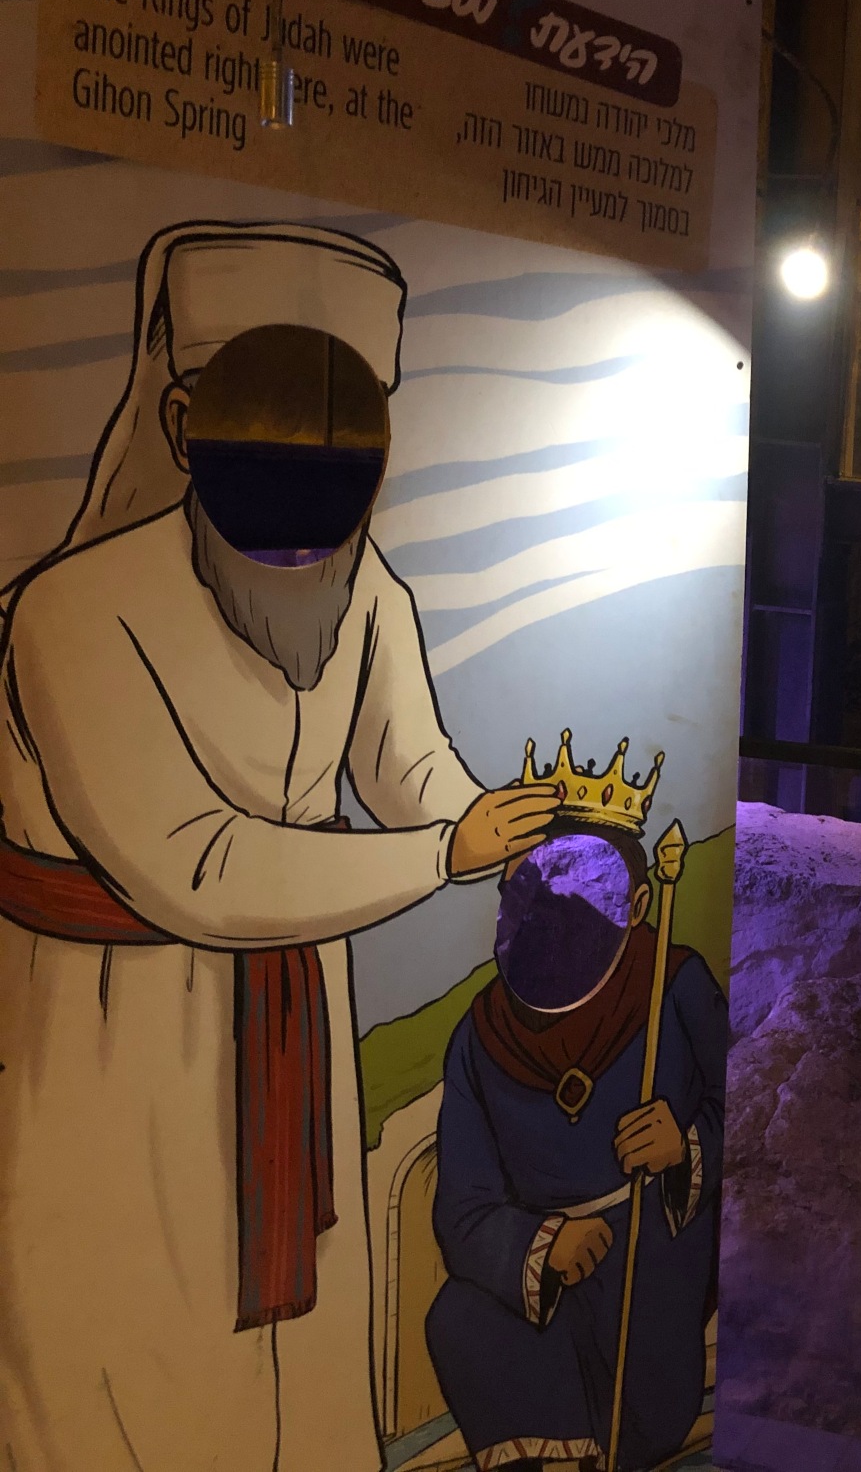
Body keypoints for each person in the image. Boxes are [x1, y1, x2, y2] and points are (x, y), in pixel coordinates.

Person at [0, 222, 560, 1472]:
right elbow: (189, 863)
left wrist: (524, 833)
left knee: (295, 1383)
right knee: (126, 1355)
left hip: (290, 1016)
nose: (307, 547)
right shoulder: (70, 611)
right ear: (184, 422)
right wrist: (439, 854)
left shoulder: (369, 594)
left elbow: (413, 775)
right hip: (113, 1046)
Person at [427, 805, 726, 1472]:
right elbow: (462, 1208)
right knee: (456, 1319)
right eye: (526, 893)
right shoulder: (481, 1037)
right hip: (545, 1273)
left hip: (648, 1253)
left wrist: (686, 1145)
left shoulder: (673, 986)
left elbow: (748, 1107)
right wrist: (543, 1245)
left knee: (636, 1417)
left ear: (636, 904)